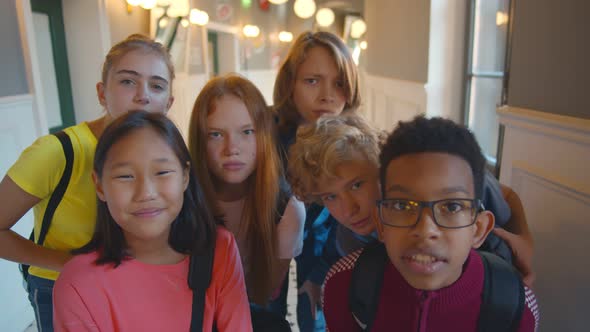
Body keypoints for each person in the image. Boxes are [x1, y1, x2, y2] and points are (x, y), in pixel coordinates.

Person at [0, 34, 175, 331]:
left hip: (131, 285)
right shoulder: (57, 152)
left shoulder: (168, 156)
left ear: (168, 102)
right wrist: (71, 265)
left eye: (156, 85)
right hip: (60, 286)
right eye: (128, 81)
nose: (143, 95)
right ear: (102, 93)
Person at [322, 116, 539, 331]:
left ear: (479, 229)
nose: (426, 231)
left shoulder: (515, 306)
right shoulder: (344, 286)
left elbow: (509, 196)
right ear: (380, 223)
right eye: (401, 206)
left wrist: (525, 238)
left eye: (451, 207)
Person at [53, 111, 251, 331]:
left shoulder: (219, 250)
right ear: (99, 186)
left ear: (185, 176)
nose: (146, 193)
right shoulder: (78, 285)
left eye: (163, 172)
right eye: (125, 176)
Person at [287, 114, 535, 285]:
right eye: (331, 196)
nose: (348, 209)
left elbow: (508, 195)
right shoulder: (349, 241)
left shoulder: (441, 182)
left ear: (380, 168)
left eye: (357, 185)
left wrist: (524, 239)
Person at [188, 74, 304, 330]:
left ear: (263, 136)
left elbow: (267, 292)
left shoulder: (286, 210)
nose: (232, 148)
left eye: (247, 132)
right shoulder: (181, 200)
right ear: (199, 140)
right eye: (216, 134)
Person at [272, 30, 361, 332]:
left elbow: (347, 223)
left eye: (339, 83)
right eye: (312, 81)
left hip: (322, 262)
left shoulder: (355, 146)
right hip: (265, 258)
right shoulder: (265, 136)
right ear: (290, 84)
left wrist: (319, 274)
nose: (327, 95)